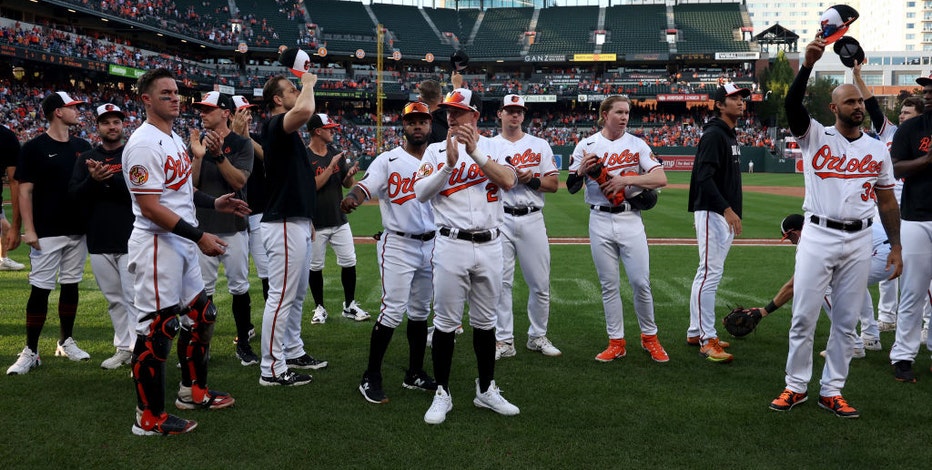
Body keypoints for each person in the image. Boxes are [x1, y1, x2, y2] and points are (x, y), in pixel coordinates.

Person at [769, 38, 901, 418]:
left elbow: (888, 201)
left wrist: (895, 246)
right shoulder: (814, 136)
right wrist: (807, 64)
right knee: (804, 316)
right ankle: (795, 386)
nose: (858, 106)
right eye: (850, 102)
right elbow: (792, 104)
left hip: (861, 237)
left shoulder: (877, 149)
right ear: (833, 108)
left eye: (860, 102)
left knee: (846, 321)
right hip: (818, 234)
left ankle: (832, 389)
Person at [123, 68, 247, 435]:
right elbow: (150, 207)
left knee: (202, 315)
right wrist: (199, 236)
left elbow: (179, 192)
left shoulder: (175, 139)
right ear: (146, 99)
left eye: (176, 92)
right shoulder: (143, 143)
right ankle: (148, 417)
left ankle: (192, 391)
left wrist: (215, 203)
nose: (175, 98)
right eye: (165, 93)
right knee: (158, 329)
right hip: (158, 243)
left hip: (179, 241)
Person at [413, 87, 520, 424]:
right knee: (445, 323)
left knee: (486, 323)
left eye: (458, 112)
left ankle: (486, 388)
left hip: (490, 243)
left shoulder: (496, 146)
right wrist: (448, 165)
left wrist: (475, 153)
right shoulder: (433, 151)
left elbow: (508, 181)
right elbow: (420, 194)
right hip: (451, 243)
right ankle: (442, 392)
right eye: (448, 112)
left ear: (475, 115)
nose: (451, 117)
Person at [342, 101, 438, 404]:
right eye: (413, 122)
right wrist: (353, 197)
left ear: (430, 125)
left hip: (433, 243)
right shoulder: (389, 159)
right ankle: (370, 376)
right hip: (399, 243)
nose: (418, 126)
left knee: (421, 312)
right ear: (404, 126)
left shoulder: (439, 158)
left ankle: (414, 373)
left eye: (423, 121)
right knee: (393, 309)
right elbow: (366, 186)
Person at [566, 95, 670, 364]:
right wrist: (580, 171)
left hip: (630, 218)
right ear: (604, 114)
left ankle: (650, 338)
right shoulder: (587, 145)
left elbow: (661, 178)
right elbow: (571, 186)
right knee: (608, 285)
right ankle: (616, 342)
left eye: (627, 113)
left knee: (640, 282)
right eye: (619, 112)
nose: (624, 117)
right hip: (599, 219)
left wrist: (626, 179)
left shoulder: (637, 144)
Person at [7, 91, 92, 375]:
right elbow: (25, 191)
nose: (77, 111)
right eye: (72, 107)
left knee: (71, 285)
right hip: (46, 231)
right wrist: (28, 229)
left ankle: (66, 340)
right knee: (40, 289)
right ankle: (31, 350)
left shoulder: (83, 145)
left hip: (76, 230)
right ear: (58, 112)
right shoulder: (33, 148)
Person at [259, 70, 329, 386]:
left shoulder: (285, 131)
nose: (296, 91)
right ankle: (271, 369)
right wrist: (310, 83)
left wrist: (308, 218)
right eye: (291, 89)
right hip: (283, 222)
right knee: (282, 296)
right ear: (277, 99)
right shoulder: (276, 124)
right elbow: (304, 110)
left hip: (296, 220)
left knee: (297, 293)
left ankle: (292, 349)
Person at [755, 214, 895, 358]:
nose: (791, 242)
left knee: (826, 283)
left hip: (883, 254)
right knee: (853, 280)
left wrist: (765, 311)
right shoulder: (826, 225)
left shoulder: (811, 238)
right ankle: (870, 336)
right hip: (893, 249)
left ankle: (851, 344)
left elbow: (794, 284)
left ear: (795, 232)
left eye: (790, 238)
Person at [853, 63, 924, 334]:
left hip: (916, 209)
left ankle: (924, 324)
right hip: (885, 210)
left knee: (918, 270)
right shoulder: (890, 133)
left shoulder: (924, 137)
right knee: (885, 261)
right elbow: (872, 106)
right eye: (902, 112)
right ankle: (886, 317)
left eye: (908, 113)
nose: (903, 116)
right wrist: (858, 76)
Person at [189, 91, 257, 366]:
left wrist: (217, 156)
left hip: (233, 226)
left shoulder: (242, 144)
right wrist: (197, 155)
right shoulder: (195, 142)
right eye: (201, 110)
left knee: (239, 287)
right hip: (203, 227)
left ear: (225, 112)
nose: (202, 114)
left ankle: (243, 343)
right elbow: (189, 186)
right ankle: (200, 346)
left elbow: (239, 181)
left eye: (208, 109)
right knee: (202, 290)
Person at [492, 94, 561, 360]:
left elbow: (553, 185)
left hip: (532, 218)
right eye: (510, 110)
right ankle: (503, 340)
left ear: (524, 114)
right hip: (500, 219)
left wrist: (531, 180)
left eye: (519, 111)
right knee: (500, 282)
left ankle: (537, 336)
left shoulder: (539, 144)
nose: (515, 115)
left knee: (540, 283)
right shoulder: (489, 145)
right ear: (500, 113)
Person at [67, 103, 137, 370]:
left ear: (122, 125)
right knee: (114, 299)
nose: (112, 126)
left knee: (133, 297)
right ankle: (123, 348)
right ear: (97, 127)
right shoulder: (85, 157)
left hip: (130, 236)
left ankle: (138, 349)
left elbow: (136, 192)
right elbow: (74, 195)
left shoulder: (131, 155)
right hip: (97, 239)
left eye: (116, 121)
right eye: (106, 122)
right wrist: (92, 180)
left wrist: (106, 178)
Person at [686, 83, 750, 364]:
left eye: (742, 98)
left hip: (719, 213)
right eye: (733, 98)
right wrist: (726, 209)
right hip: (715, 212)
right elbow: (704, 177)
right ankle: (706, 338)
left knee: (709, 272)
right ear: (719, 104)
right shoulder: (714, 134)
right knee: (709, 274)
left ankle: (695, 330)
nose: (740, 102)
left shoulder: (728, 134)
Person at [888, 71, 932, 382]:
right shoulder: (912, 128)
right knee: (913, 290)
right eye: (925, 88)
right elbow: (896, 166)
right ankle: (902, 356)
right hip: (916, 216)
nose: (927, 93)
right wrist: (926, 161)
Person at [306, 113, 369, 324]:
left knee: (349, 261)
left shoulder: (335, 153)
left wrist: (349, 175)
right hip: (315, 222)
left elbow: (346, 185)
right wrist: (331, 167)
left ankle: (349, 305)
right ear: (318, 131)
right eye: (329, 128)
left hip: (339, 219)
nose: (332, 131)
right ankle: (319, 308)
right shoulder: (305, 155)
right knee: (315, 267)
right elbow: (312, 186)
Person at [231, 95, 271, 306]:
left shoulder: (258, 137)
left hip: (257, 213)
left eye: (249, 112)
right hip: (230, 215)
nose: (248, 116)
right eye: (242, 112)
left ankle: (272, 323)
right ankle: (245, 326)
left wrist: (246, 138)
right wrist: (237, 136)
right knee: (237, 277)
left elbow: (268, 157)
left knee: (266, 270)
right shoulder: (220, 140)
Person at [0, 123, 25, 271]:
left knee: (5, 228)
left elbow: (14, 179)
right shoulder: (6, 136)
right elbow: (14, 180)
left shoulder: (6, 136)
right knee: (6, 228)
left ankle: (3, 259)